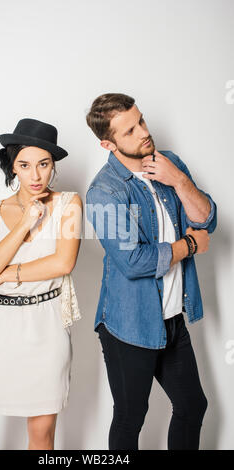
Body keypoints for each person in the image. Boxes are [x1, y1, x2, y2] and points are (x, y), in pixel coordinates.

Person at [85, 93, 217, 450]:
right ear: (108, 143)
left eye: (141, 120)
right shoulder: (104, 192)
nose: (144, 132)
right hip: (129, 325)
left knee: (192, 406)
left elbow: (207, 219)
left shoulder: (168, 163)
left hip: (172, 318)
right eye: (130, 130)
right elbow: (133, 262)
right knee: (130, 419)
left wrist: (179, 181)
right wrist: (189, 246)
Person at [0, 118, 82, 450]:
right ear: (13, 166)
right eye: (24, 165)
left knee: (40, 438)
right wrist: (24, 223)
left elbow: (62, 263)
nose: (35, 176)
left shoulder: (69, 204)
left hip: (47, 329)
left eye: (44, 164)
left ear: (53, 166)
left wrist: (6, 273)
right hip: (0, 332)